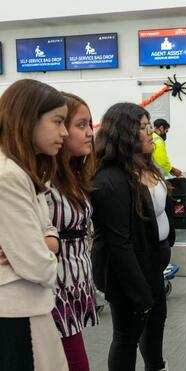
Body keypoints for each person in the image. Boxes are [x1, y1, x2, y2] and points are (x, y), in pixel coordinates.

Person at [91, 103, 175, 371]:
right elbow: (119, 244)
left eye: (150, 126)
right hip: (129, 273)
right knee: (127, 336)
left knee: (155, 325)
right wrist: (140, 293)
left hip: (153, 265)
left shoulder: (146, 166)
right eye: (143, 127)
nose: (151, 133)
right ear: (124, 133)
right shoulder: (110, 180)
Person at [0, 79, 69, 371]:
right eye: (58, 121)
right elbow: (37, 265)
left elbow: (50, 233)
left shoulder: (23, 170)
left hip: (29, 308)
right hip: (17, 314)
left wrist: (42, 244)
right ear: (28, 120)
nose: (63, 132)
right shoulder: (9, 176)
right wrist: (42, 252)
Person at [45, 92, 98, 371]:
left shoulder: (75, 175)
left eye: (90, 124)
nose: (90, 133)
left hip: (75, 280)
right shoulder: (41, 179)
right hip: (52, 289)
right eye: (81, 125)